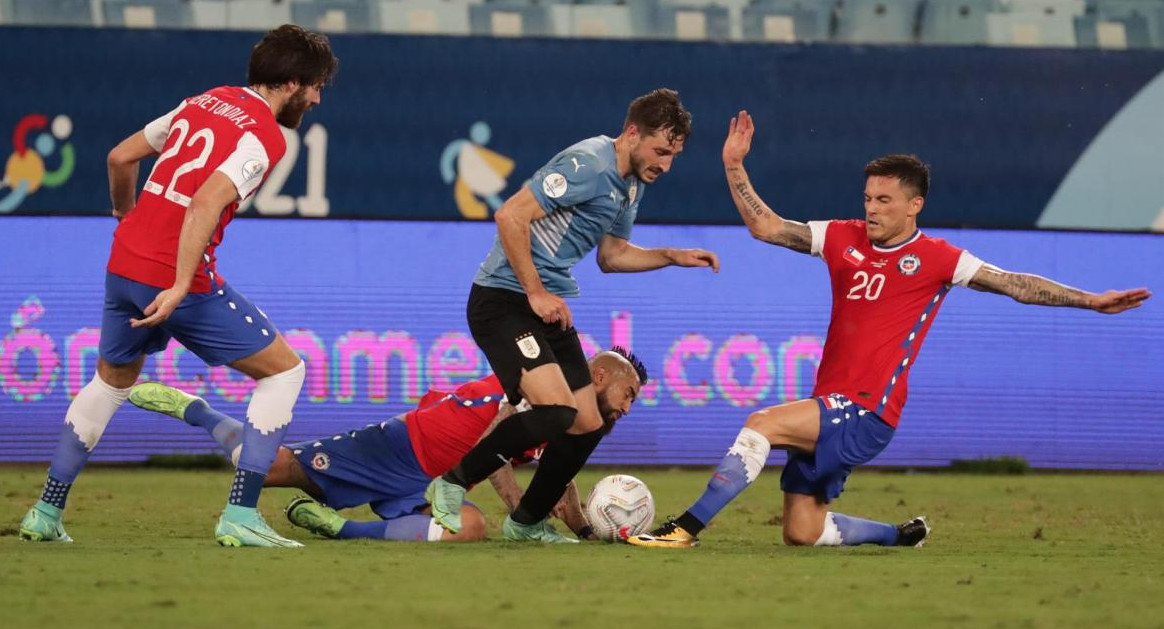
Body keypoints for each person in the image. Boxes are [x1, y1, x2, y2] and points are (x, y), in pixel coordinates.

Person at [629, 111, 1152, 549]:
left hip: (868, 407)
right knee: (802, 532)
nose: (871, 209)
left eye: (884, 201)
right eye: (868, 198)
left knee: (762, 423)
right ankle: (900, 537)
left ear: (914, 205)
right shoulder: (842, 237)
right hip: (830, 399)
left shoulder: (937, 258)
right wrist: (733, 164)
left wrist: (1091, 301)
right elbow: (766, 226)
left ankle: (684, 529)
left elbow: (1014, 283)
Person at [18, 25, 339, 548]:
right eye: (316, 86)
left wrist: (126, 216)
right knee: (286, 372)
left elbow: (119, 158)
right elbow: (206, 202)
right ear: (292, 82)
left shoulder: (204, 100)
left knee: (110, 384)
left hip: (123, 266)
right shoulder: (264, 136)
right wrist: (181, 283)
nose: (318, 98)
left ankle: (45, 512)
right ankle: (240, 514)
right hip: (177, 282)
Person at [425, 88, 720, 542]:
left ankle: (525, 523)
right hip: (504, 300)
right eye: (661, 150)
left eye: (674, 154)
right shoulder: (589, 164)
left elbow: (613, 254)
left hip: (547, 306)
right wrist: (537, 291)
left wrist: (670, 255)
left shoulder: (631, 183)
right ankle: (452, 481)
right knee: (555, 411)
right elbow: (509, 216)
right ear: (631, 133)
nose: (666, 163)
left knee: (587, 423)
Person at [124, 348, 647, 543]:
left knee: (469, 529)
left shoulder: (574, 419)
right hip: (401, 447)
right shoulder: (550, 381)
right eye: (626, 393)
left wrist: (584, 528)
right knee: (262, 465)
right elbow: (494, 437)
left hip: (427, 480)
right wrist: (518, 505)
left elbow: (561, 472)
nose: (625, 408)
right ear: (599, 374)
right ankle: (198, 411)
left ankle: (339, 527)